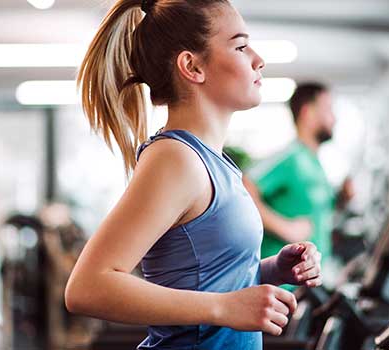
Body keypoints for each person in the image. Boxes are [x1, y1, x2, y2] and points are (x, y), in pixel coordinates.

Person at [64, 1, 322, 349]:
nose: (258, 59)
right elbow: (87, 287)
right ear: (192, 66)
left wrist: (274, 269)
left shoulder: (214, 162)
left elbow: (203, 281)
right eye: (241, 46)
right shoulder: (176, 159)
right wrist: (223, 306)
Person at [244, 83, 354, 275]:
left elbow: (316, 210)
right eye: (328, 110)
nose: (334, 119)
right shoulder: (290, 157)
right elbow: (244, 187)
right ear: (307, 112)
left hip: (310, 278)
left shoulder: (314, 162)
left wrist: (342, 198)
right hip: (284, 283)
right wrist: (285, 228)